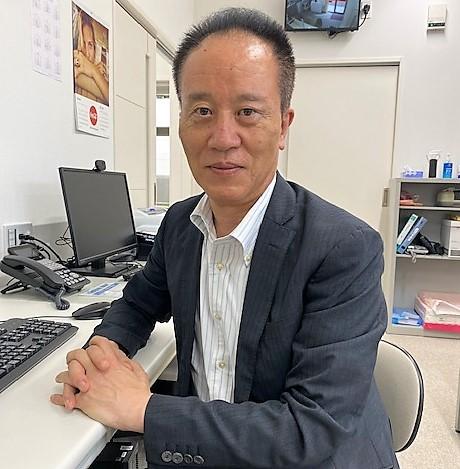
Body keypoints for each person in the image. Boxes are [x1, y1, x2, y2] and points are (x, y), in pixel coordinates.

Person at [51, 8, 398, 469]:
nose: (222, 137)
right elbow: (136, 304)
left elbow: (311, 431)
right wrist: (103, 353)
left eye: (247, 112)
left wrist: (143, 408)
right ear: (181, 122)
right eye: (202, 111)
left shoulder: (343, 248)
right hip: (201, 451)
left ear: (283, 125)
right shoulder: (180, 225)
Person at [73, 11, 109, 105]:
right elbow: (110, 97)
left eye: (90, 45)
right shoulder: (75, 69)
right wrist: (95, 72)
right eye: (82, 43)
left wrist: (95, 73)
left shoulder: (101, 70)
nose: (87, 53)